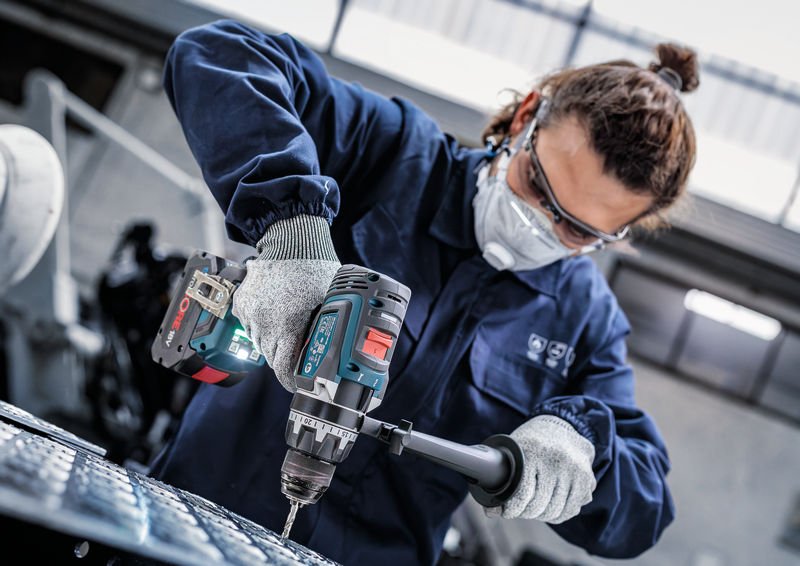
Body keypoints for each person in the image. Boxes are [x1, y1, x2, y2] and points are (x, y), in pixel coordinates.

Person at [148, 18, 699, 565]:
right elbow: (218, 53)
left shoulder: (586, 321)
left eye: (576, 229)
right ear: (526, 118)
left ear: (622, 233)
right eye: (537, 185)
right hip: (189, 528)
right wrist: (290, 228)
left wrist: (581, 444)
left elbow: (645, 510)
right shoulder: (393, 155)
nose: (539, 224)